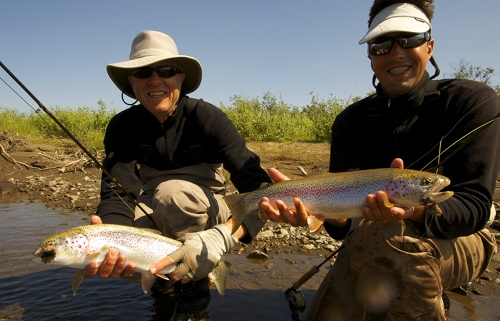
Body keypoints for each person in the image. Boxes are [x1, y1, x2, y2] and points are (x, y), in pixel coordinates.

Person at [259, 1, 500, 320]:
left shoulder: (471, 101)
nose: (397, 52)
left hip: (461, 237)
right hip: (367, 239)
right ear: (371, 56)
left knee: (386, 239)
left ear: (429, 46)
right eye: (383, 43)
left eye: (410, 39)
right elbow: (344, 225)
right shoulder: (351, 122)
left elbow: (475, 208)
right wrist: (315, 210)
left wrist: (413, 212)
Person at [83, 30, 273, 319]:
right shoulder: (122, 127)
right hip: (153, 207)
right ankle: (164, 287)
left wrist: (224, 236)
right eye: (143, 72)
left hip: (207, 210)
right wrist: (111, 238)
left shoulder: (207, 118)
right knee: (124, 247)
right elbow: (118, 194)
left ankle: (194, 301)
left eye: (166, 70)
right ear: (131, 82)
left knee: (172, 195)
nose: (155, 79)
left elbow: (258, 187)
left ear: (181, 78)